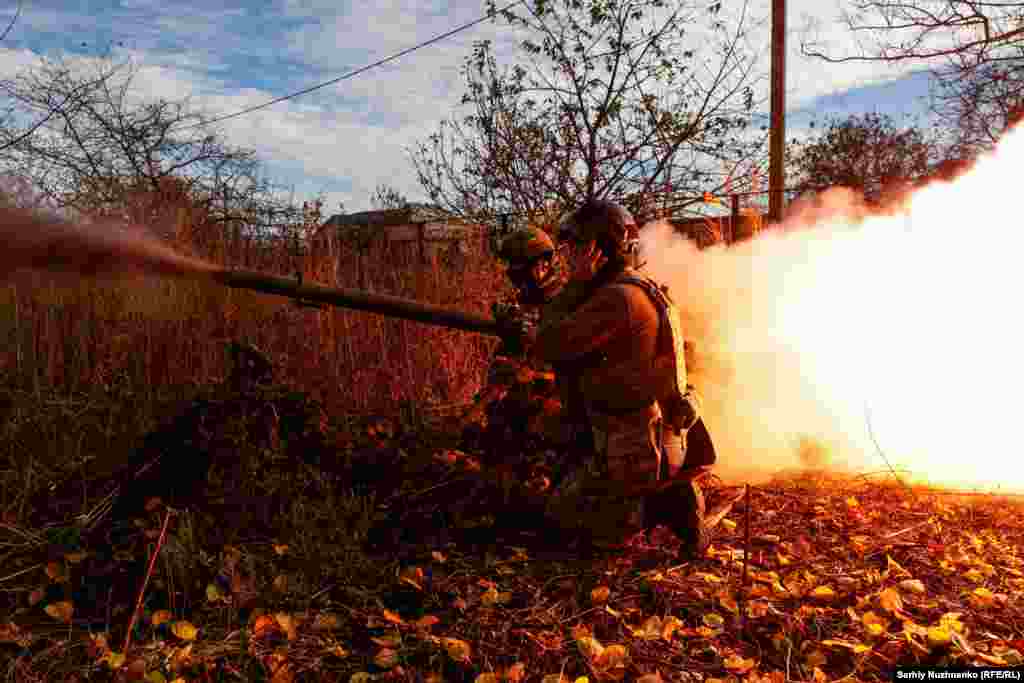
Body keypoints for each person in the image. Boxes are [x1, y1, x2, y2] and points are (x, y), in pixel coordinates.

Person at [530, 199, 712, 560]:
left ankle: (657, 505)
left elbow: (550, 346)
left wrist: (563, 293)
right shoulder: (638, 287)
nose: (569, 257)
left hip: (633, 448)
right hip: (654, 437)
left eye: (577, 247)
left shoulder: (616, 299)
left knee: (559, 522)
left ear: (597, 249)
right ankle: (663, 493)